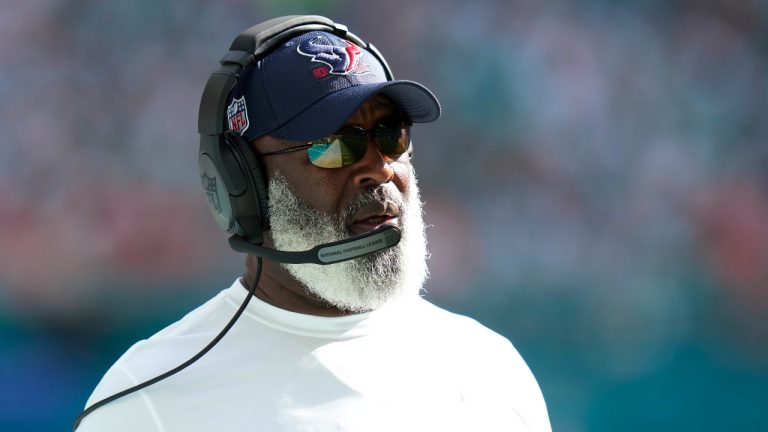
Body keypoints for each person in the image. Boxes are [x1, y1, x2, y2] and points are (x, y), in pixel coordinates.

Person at [76, 16, 551, 432]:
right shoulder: (149, 400)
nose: (380, 168)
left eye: (391, 135)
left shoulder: (491, 368)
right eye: (333, 143)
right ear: (243, 184)